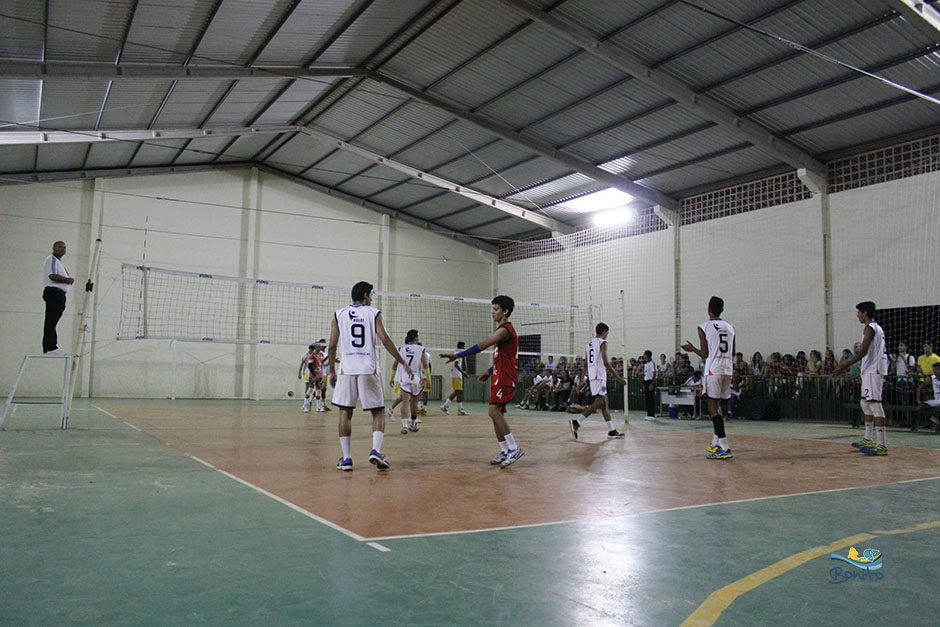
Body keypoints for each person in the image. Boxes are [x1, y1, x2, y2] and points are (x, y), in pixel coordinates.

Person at [327, 281, 412, 471]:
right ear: (365, 295)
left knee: (344, 412)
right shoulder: (373, 313)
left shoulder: (338, 314)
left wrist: (332, 370)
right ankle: (375, 450)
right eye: (371, 295)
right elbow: (386, 340)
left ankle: (347, 458)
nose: (372, 298)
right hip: (368, 369)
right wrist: (402, 362)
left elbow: (332, 346)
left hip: (346, 370)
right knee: (378, 411)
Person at [442, 295, 524, 467]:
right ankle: (505, 450)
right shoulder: (501, 330)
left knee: (494, 412)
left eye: (496, 309)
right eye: (493, 309)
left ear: (505, 311)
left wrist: (457, 355)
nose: (492, 312)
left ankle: (514, 448)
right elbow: (503, 357)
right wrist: (489, 371)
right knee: (495, 413)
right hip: (499, 374)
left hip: (506, 377)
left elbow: (482, 345)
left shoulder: (505, 330)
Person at [682, 296, 736, 459]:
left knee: (712, 408)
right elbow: (732, 352)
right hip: (727, 368)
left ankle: (725, 448)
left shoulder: (704, 327)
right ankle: (715, 443)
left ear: (708, 308)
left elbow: (705, 354)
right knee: (718, 407)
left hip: (713, 369)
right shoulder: (730, 327)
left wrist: (692, 349)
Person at [833, 301, 889, 456]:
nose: (857, 315)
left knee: (875, 405)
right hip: (869, 370)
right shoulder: (875, 328)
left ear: (865, 313)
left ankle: (881, 445)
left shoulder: (870, 328)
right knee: (864, 403)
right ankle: (867, 438)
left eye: (858, 312)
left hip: (875, 371)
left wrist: (843, 367)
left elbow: (863, 352)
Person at [569, 323, 626, 440]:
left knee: (604, 402)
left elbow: (585, 364)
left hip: (593, 376)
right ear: (604, 332)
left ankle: (612, 430)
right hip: (599, 376)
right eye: (607, 333)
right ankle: (577, 422)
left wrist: (581, 381)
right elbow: (605, 362)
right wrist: (618, 378)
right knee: (599, 402)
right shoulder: (602, 342)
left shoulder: (589, 344)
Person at [392, 329, 428, 434]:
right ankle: (412, 424)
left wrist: (391, 378)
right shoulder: (421, 349)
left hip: (405, 378)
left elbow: (394, 365)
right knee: (415, 402)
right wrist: (428, 380)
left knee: (405, 402)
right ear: (416, 338)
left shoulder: (401, 349)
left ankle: (404, 426)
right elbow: (426, 366)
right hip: (416, 378)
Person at [42, 240, 74, 355]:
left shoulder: (59, 262)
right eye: (60, 247)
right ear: (53, 248)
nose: (62, 249)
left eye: (64, 247)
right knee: (51, 320)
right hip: (54, 292)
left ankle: (51, 346)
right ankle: (50, 347)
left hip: (60, 294)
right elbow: (52, 276)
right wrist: (68, 280)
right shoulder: (52, 259)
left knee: (53, 321)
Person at [441, 341, 469, 416]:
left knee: (458, 392)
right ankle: (445, 406)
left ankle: (459, 410)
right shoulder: (458, 353)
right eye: (464, 347)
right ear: (461, 347)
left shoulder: (456, 353)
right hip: (456, 375)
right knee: (458, 392)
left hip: (456, 374)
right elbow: (456, 364)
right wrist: (463, 372)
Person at [298, 344, 322, 413]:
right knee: (310, 388)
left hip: (319, 375)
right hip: (311, 374)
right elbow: (309, 365)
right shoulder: (311, 355)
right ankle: (305, 406)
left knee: (318, 390)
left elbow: (321, 363)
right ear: (315, 348)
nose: (320, 348)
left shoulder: (320, 355)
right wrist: (314, 375)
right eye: (319, 347)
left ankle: (318, 407)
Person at [915, 362, 940, 428]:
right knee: (920, 408)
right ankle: (936, 421)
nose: (935, 372)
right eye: (934, 370)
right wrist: (918, 400)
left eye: (937, 370)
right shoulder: (932, 378)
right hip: (937, 400)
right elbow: (920, 387)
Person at [643, 350, 657, 421]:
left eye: (644, 354)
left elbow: (654, 373)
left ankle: (652, 414)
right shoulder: (645, 364)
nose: (643, 356)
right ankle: (649, 414)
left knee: (651, 398)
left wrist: (652, 383)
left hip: (651, 381)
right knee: (647, 399)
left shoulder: (652, 363)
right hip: (646, 381)